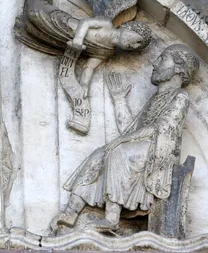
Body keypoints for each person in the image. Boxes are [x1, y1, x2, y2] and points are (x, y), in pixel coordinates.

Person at [51, 44, 199, 232]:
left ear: (178, 69)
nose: (155, 63)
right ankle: (71, 211)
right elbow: (131, 131)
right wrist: (120, 100)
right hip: (143, 149)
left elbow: (162, 127)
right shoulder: (154, 99)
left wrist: (121, 142)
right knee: (99, 153)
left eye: (163, 58)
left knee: (119, 152)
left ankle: (112, 218)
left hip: (158, 154)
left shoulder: (180, 97)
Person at [14, 0, 152, 95]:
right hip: (63, 23)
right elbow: (86, 23)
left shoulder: (106, 52)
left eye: (136, 48)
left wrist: (84, 86)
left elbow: (89, 67)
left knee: (31, 27)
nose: (133, 46)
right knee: (35, 13)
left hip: (59, 38)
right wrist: (79, 39)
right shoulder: (107, 25)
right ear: (128, 28)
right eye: (137, 41)